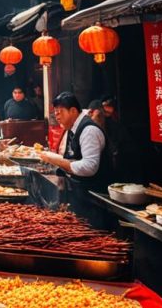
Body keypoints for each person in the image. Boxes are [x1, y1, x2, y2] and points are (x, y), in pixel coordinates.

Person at [39, 92, 112, 227]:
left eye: (60, 111)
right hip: (80, 196)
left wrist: (57, 160)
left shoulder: (89, 130)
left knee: (94, 236)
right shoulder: (73, 129)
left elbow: (90, 167)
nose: (57, 116)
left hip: (93, 200)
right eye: (55, 112)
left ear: (73, 111)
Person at [87, 100, 142, 183]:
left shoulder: (115, 127)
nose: (99, 118)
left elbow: (124, 150)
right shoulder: (86, 128)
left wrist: (101, 128)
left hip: (120, 172)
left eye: (100, 115)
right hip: (97, 174)